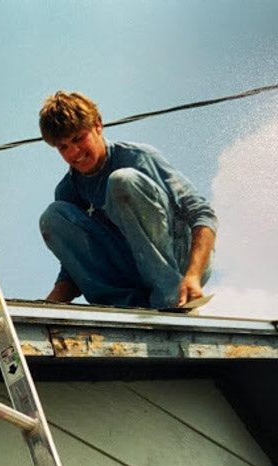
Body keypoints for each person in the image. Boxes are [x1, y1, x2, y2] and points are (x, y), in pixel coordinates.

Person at [38, 91, 217, 309]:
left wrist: (193, 275)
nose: (74, 152)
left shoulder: (138, 158)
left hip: (180, 264)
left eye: (78, 139)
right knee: (53, 217)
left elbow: (202, 214)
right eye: (63, 147)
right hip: (134, 273)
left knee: (122, 181)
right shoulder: (69, 190)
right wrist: (43, 310)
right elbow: (76, 264)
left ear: (97, 126)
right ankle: (122, 307)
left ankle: (170, 298)